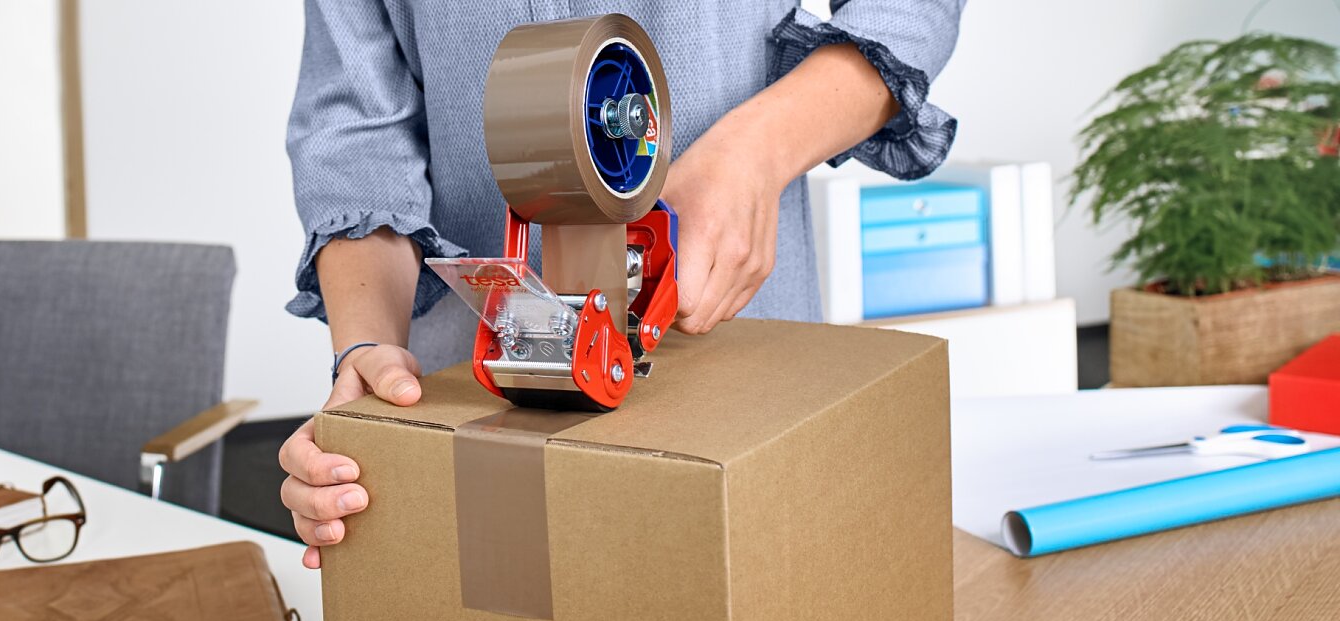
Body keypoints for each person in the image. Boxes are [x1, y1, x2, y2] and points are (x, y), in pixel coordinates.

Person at [279, 0, 964, 569]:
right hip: (474, 400)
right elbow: (355, 132)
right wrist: (365, 350)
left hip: (735, 358)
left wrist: (757, 154)